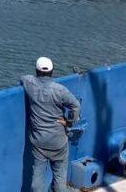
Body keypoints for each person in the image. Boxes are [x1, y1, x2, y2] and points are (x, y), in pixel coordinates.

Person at [21, 56, 80, 192]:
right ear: (52, 72)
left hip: (39, 143)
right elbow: (75, 106)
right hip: (58, 142)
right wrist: (68, 122)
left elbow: (22, 78)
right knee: (59, 183)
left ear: (37, 71)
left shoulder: (29, 83)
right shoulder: (60, 90)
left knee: (36, 184)